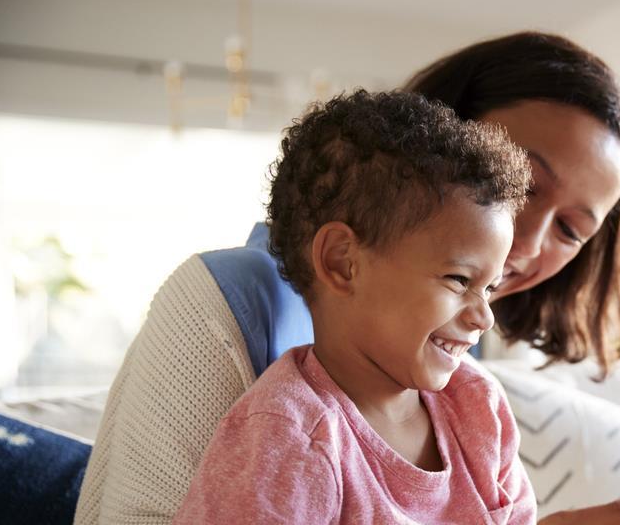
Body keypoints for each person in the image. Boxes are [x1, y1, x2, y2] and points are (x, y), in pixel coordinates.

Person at [77, 32, 620, 524]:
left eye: (571, 229)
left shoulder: (458, 384)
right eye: (522, 180)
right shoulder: (233, 322)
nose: (525, 238)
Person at [175, 90, 535, 522]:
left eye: (490, 287)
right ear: (342, 262)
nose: (484, 316)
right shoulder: (290, 439)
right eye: (459, 280)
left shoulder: (477, 405)